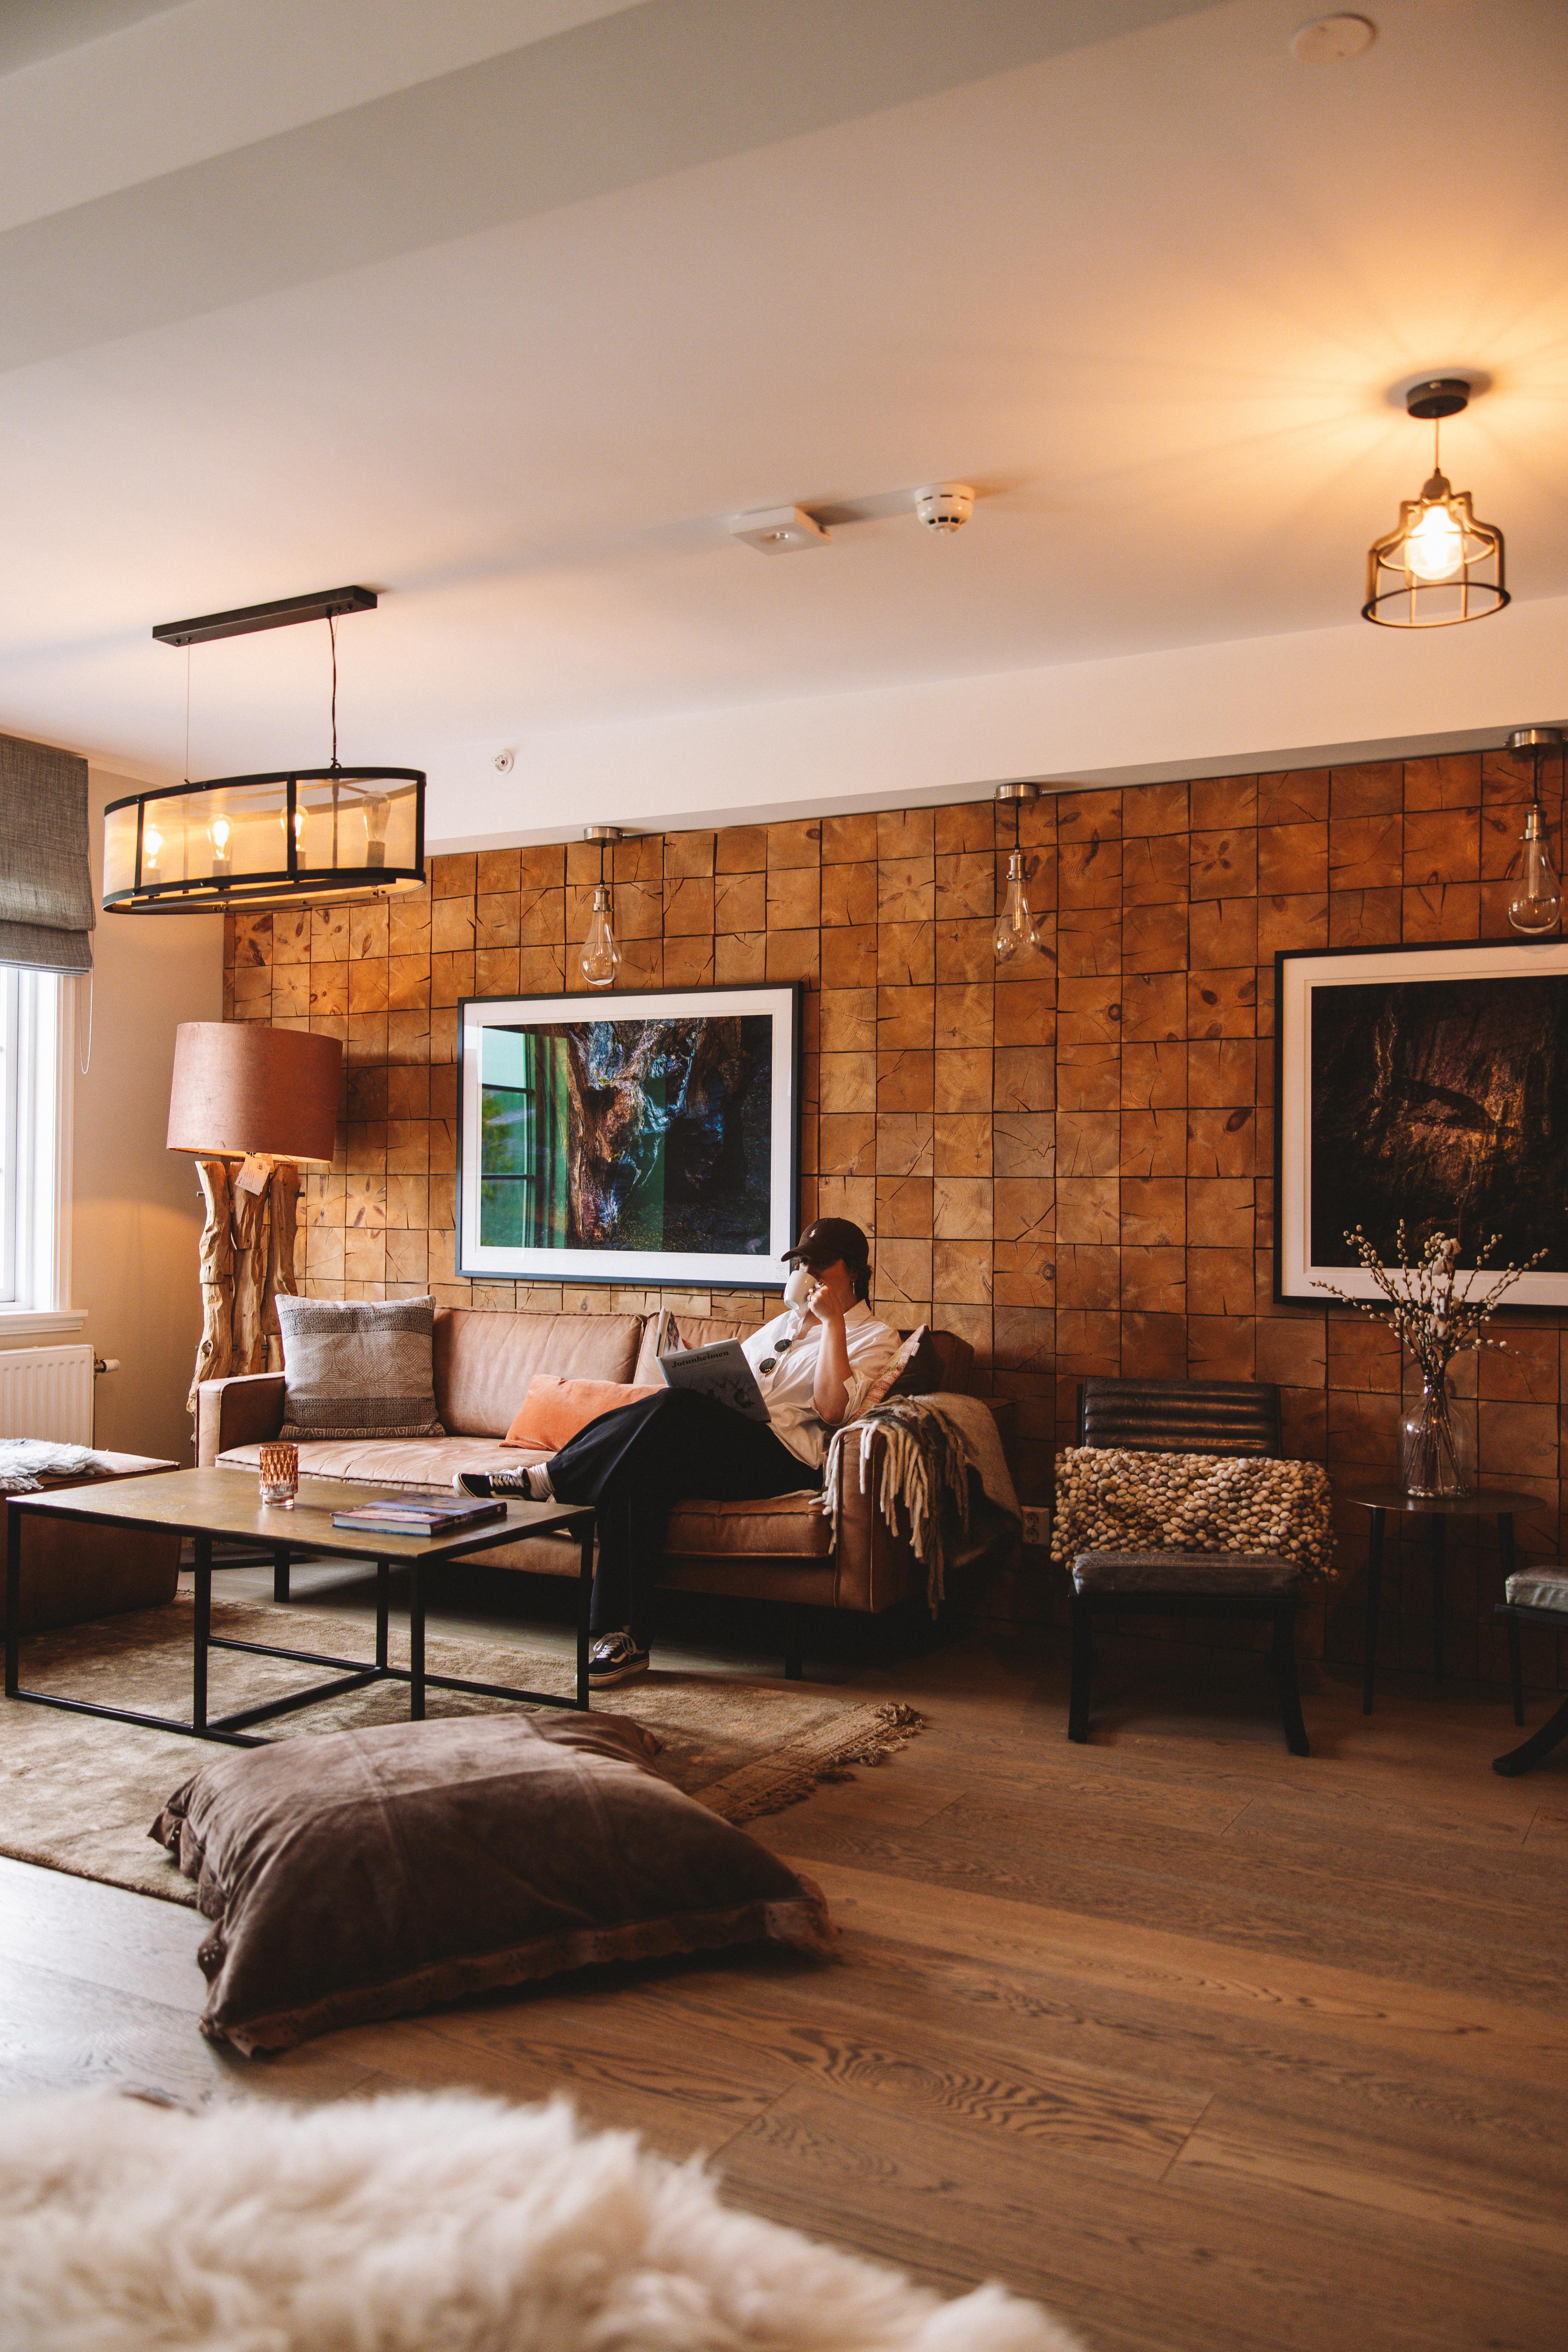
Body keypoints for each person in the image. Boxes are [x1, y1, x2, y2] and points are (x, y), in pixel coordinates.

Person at [457, 1218, 900, 1687]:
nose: (806, 1273)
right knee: (639, 1471)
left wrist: (832, 1324)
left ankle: (549, 1478)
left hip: (783, 1459)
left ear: (852, 1272)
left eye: (817, 1264)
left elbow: (834, 1412)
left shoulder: (876, 1336)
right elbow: (736, 1377)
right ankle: (624, 1638)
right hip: (725, 1443)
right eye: (800, 1263)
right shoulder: (781, 1326)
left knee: (672, 1408)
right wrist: (694, 1362)